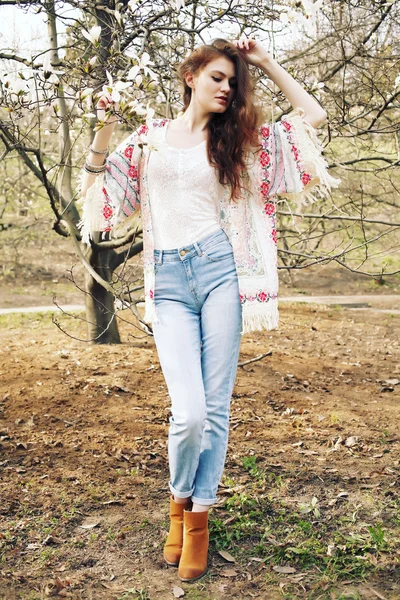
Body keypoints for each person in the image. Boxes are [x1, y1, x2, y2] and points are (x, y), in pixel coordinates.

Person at [80, 36, 338, 582]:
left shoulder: (238, 143)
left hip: (222, 272)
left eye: (234, 83)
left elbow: (311, 115)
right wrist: (104, 123)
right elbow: (104, 202)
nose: (226, 89)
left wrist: (265, 63)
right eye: (218, 78)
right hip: (169, 280)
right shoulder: (148, 139)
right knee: (189, 412)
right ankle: (179, 499)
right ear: (192, 76)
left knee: (215, 408)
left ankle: (196, 522)